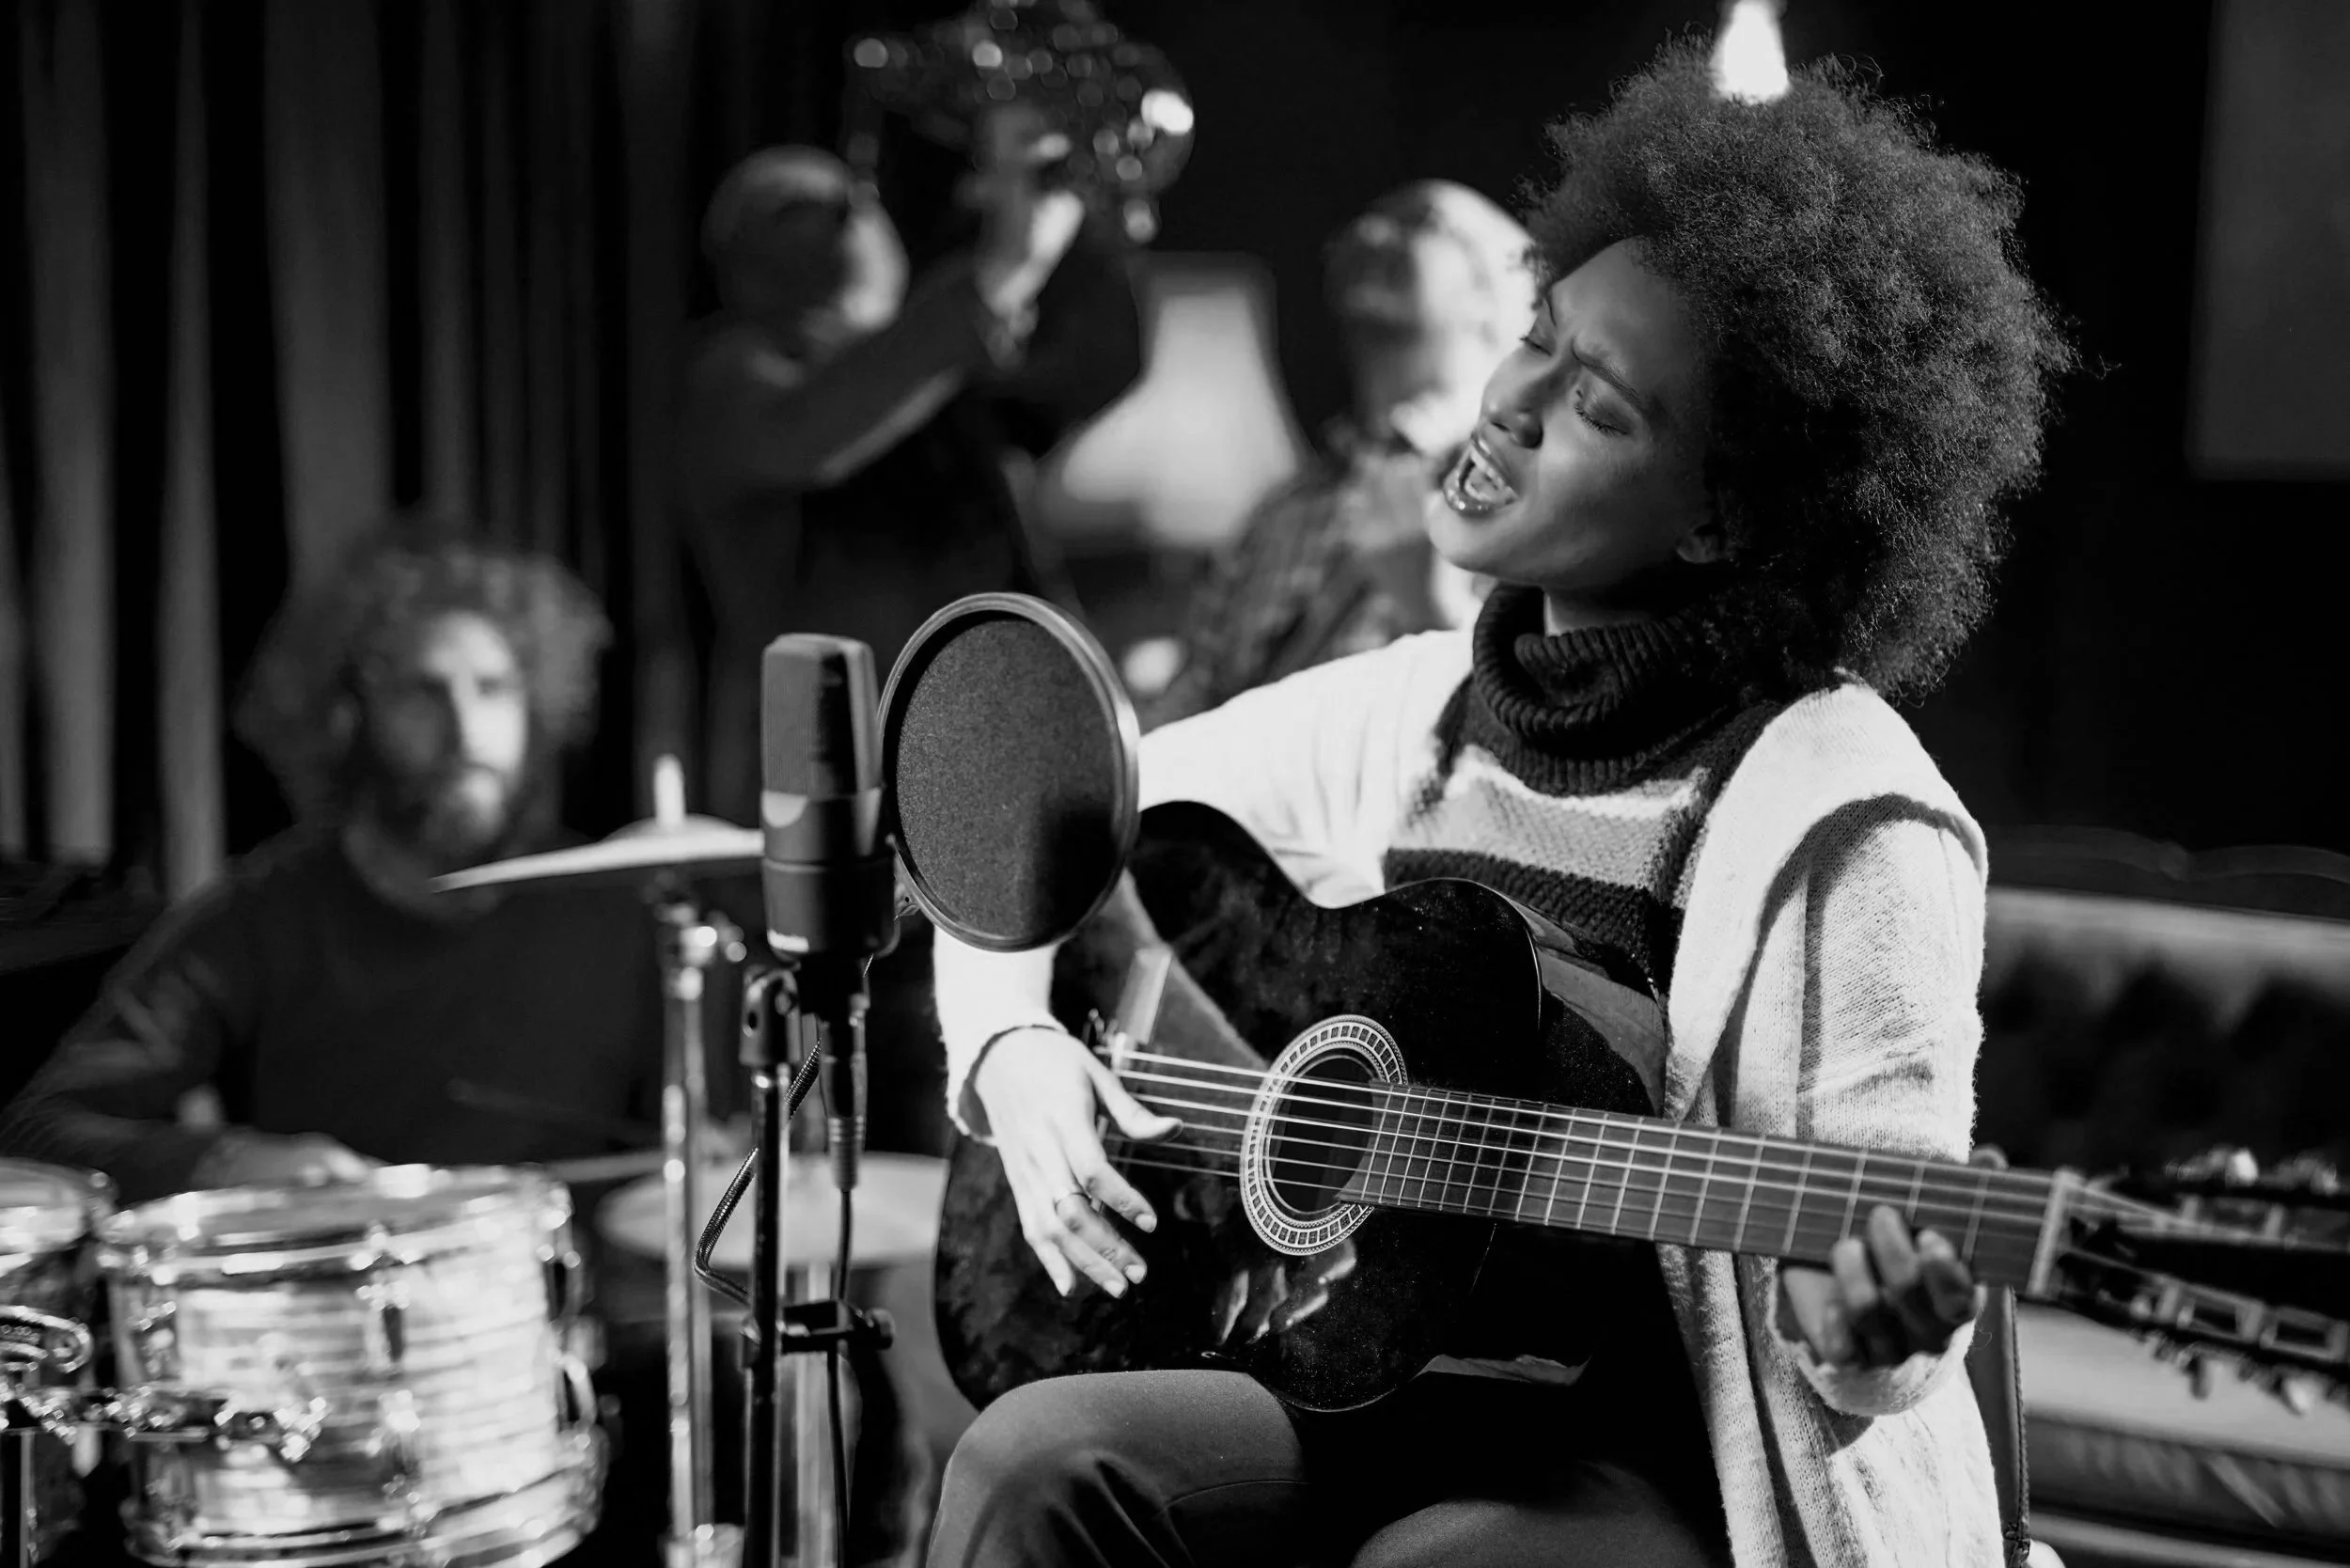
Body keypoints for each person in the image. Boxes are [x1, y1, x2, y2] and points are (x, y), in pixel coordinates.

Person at [924, 42, 2073, 1568]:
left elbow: (1863, 1313)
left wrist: (1867, 1325)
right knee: (1037, 1458)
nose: (1512, 399)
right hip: (1394, 1369)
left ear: (1733, 511)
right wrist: (1011, 1048)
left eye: (1600, 404)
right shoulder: (1413, 705)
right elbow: (1034, 822)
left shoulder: (1847, 820)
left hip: (1669, 1449)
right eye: (1538, 330)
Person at [0, 525, 678, 1566]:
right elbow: (41, 1126)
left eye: (495, 689)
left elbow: (696, 1171)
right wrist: (233, 1163)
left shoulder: (623, 911)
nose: (467, 728)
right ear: (345, 712)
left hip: (559, 1380)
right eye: (422, 692)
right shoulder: (258, 916)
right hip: (319, 1412)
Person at [677, 107, 1144, 833]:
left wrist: (1071, 214)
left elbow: (1094, 374)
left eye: (851, 202)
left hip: (1018, 777)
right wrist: (1000, 272)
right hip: (847, 815)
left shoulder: (940, 373)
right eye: (792, 210)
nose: (843, 219)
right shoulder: (729, 378)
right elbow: (813, 430)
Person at [1141, 180, 1533, 729]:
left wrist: (1433, 614)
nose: (1371, 233)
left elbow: (1538, 723)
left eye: (1422, 222)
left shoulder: (1526, 488)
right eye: (1367, 221)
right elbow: (1195, 695)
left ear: (1492, 297)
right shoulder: (1283, 509)